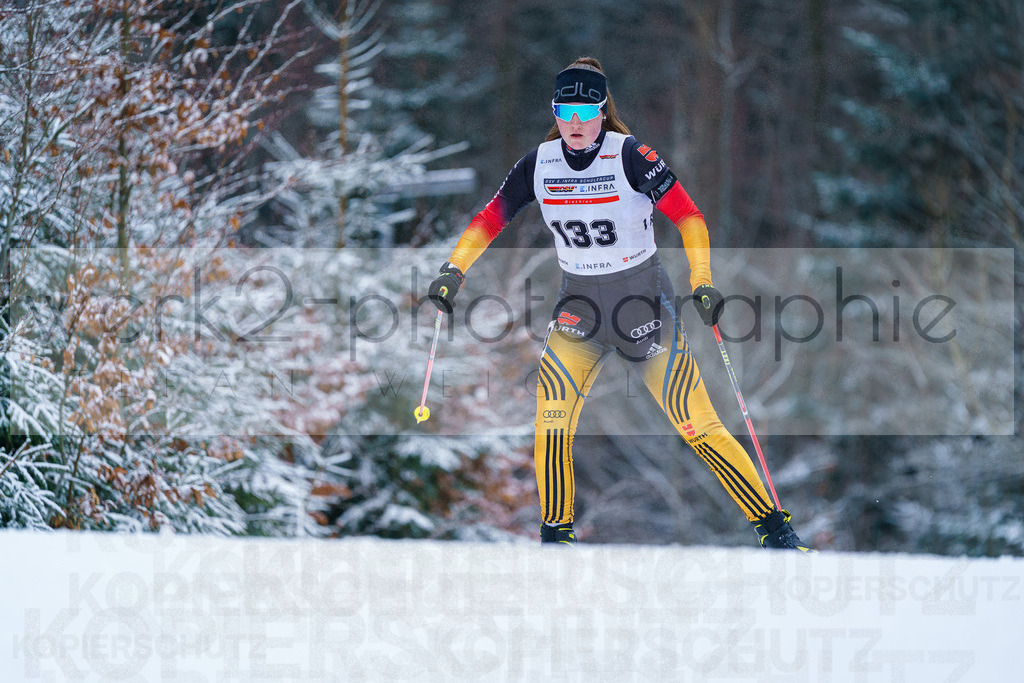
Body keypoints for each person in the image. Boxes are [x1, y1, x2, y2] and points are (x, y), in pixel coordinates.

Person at [428, 57, 812, 551]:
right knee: (551, 420)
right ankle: (556, 538)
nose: (575, 123)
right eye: (565, 110)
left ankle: (775, 530)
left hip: (642, 306)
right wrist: (452, 271)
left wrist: (703, 280)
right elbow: (489, 219)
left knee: (696, 426)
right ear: (555, 111)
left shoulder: (630, 155)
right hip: (580, 307)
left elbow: (690, 217)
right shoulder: (537, 164)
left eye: (586, 111)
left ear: (603, 111)